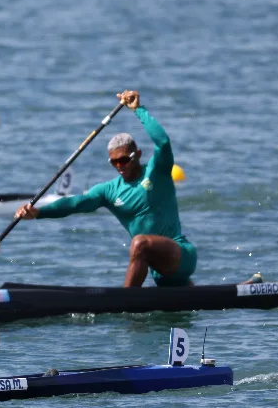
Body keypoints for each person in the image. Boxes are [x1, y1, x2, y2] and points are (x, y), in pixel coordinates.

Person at [15, 90, 197, 288]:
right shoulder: (109, 190)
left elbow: (163, 142)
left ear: (137, 155)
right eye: (114, 162)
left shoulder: (157, 171)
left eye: (124, 160)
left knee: (139, 243)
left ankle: (124, 303)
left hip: (181, 255)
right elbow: (75, 204)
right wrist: (38, 212)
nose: (120, 166)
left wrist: (138, 110)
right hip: (158, 272)